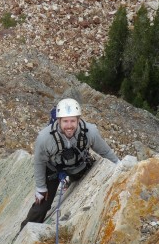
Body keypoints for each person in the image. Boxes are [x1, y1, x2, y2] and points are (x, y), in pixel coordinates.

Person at [20, 98, 119, 229]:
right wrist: (41, 188)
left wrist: (119, 165)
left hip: (78, 166)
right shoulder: (45, 138)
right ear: (58, 120)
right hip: (53, 170)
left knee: (81, 176)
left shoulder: (90, 132)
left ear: (78, 120)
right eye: (65, 121)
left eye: (73, 121)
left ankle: (70, 181)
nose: (69, 125)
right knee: (42, 205)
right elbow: (39, 162)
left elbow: (105, 151)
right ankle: (25, 231)